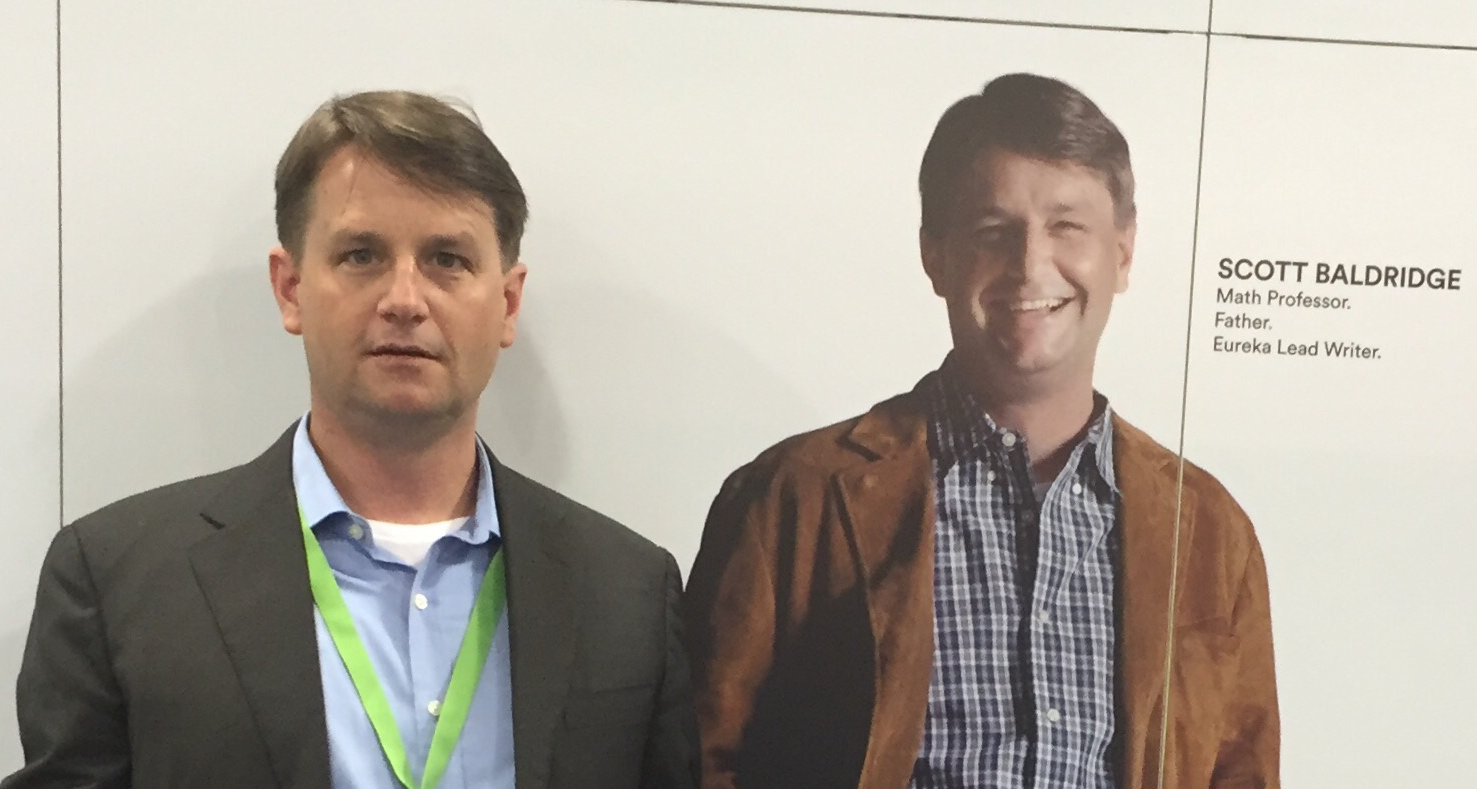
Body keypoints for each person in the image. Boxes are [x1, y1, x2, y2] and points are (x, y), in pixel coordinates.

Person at [4, 90, 699, 789]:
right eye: (362, 255)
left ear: (508, 303)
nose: (405, 300)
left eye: (447, 259)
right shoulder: (118, 583)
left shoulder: (628, 593)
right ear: (290, 289)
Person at [683, 73, 1279, 789]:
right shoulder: (792, 498)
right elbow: (700, 762)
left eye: (1066, 227)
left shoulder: (1209, 531)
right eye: (993, 232)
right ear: (935, 255)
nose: (1029, 265)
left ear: (1122, 253)